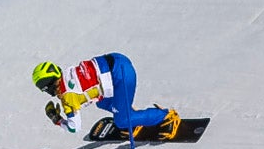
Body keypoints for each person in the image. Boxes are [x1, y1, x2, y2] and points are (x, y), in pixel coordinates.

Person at [32, 53, 180, 139]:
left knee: (122, 120)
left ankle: (166, 116)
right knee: (102, 102)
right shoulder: (67, 74)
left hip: (121, 76)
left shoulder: (67, 99)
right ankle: (130, 114)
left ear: (48, 87)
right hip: (117, 60)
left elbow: (74, 128)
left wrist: (56, 119)